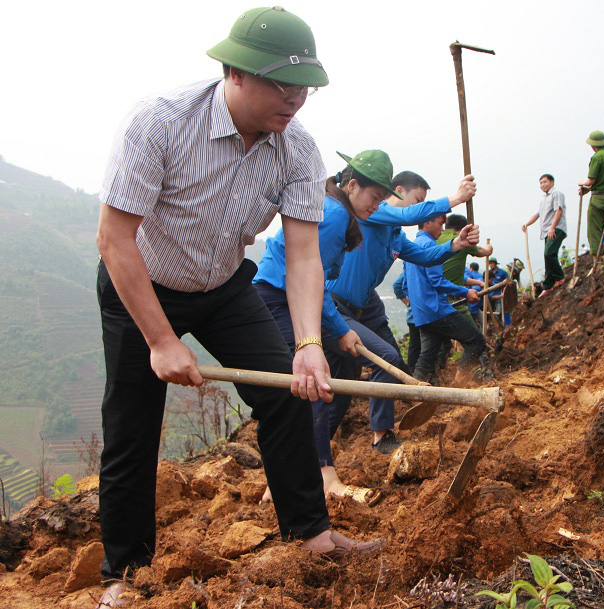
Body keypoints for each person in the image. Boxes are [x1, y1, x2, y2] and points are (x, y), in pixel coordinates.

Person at [94, 8, 378, 606]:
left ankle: (311, 535)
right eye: (282, 84)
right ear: (236, 73)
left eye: (305, 86)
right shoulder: (161, 123)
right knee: (132, 427)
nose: (296, 98)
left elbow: (303, 255)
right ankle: (126, 573)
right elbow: (115, 240)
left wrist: (308, 344)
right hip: (143, 285)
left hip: (223, 287)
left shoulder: (297, 149)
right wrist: (161, 341)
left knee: (287, 393)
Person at [254, 149, 400, 506]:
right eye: (373, 197)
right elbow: (310, 281)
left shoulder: (338, 211)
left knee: (344, 370)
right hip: (280, 299)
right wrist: (340, 328)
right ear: (352, 185)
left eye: (382, 199)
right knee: (312, 382)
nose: (376, 206)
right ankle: (322, 473)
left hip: (293, 297)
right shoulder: (334, 214)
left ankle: (284, 475)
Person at [326, 171, 479, 452]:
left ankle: (364, 431)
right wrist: (456, 198)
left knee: (390, 360)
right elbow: (408, 215)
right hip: (336, 302)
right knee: (379, 360)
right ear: (398, 191)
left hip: (365, 303)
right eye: (417, 199)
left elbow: (425, 256)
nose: (419, 207)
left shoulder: (394, 235)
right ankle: (377, 436)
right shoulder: (377, 212)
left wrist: (456, 245)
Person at [406, 215, 485, 382]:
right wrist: (465, 292)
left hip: (421, 313)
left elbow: (406, 284)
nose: (442, 229)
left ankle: (413, 391)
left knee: (427, 357)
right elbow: (436, 280)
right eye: (440, 224)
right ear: (427, 223)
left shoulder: (412, 246)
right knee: (476, 341)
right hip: (437, 310)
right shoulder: (430, 245)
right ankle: (460, 384)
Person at [521, 173, 567, 298]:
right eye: (541, 183)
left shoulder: (557, 194)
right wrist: (527, 224)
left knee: (549, 254)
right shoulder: (543, 199)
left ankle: (560, 277)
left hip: (556, 229)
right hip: (547, 231)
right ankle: (548, 286)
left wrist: (552, 227)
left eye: (545, 182)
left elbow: (559, 210)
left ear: (552, 182)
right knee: (547, 259)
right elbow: (537, 214)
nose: (542, 185)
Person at [578, 131, 604, 256]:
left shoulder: (597, 157)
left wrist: (582, 183)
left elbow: (591, 181)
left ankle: (597, 255)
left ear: (593, 145)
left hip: (598, 198)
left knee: (594, 228)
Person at [393, 271, 420, 373]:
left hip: (413, 316)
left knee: (415, 346)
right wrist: (408, 303)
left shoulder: (409, 268)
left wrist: (408, 303)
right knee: (422, 347)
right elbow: (396, 285)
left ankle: (412, 372)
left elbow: (397, 285)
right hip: (420, 316)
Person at [464, 262, 484, 326]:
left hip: (469, 303)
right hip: (477, 303)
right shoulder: (481, 277)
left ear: (471, 268)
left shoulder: (468, 274)